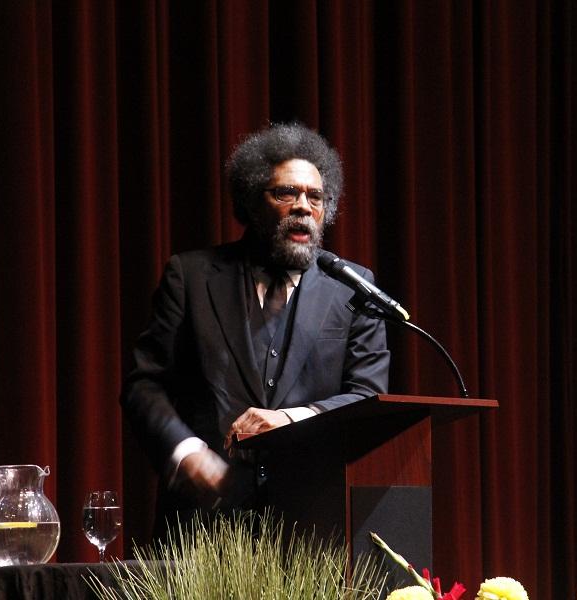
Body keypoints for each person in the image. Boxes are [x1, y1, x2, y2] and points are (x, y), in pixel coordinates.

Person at [121, 123, 390, 533]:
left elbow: (369, 395)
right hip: (202, 523)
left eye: (315, 197)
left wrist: (295, 418)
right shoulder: (190, 277)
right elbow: (144, 385)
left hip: (312, 524)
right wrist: (186, 450)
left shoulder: (353, 288)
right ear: (251, 200)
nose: (304, 206)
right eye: (287, 193)